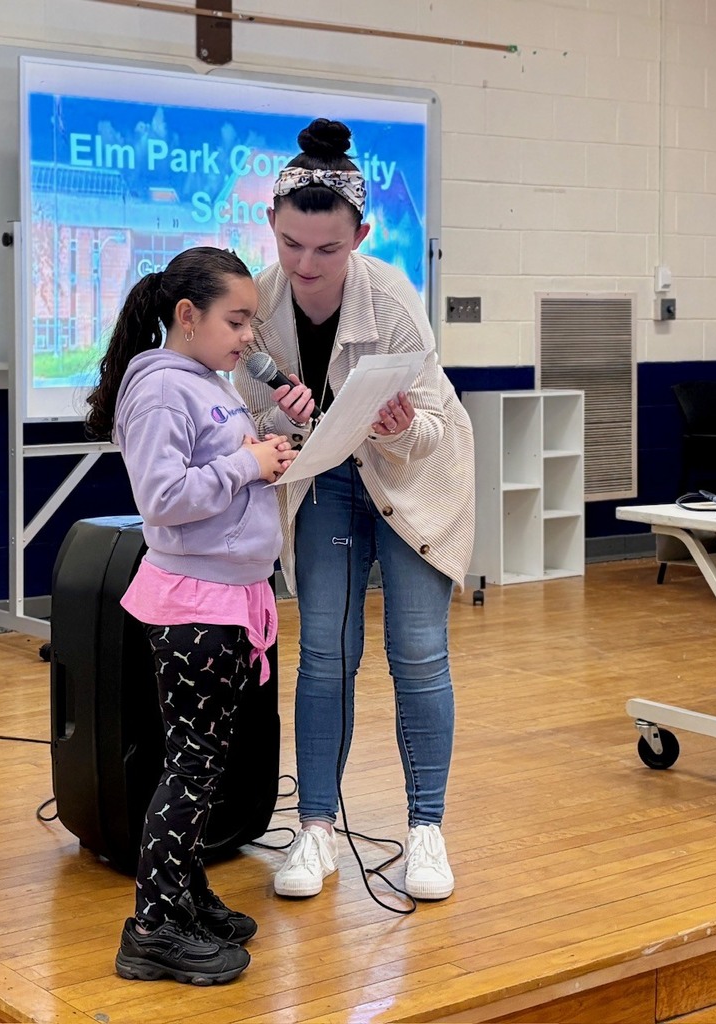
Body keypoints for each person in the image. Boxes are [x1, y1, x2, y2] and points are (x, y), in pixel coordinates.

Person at [233, 118, 476, 902]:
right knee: (327, 655)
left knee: (418, 653)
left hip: (411, 482)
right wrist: (281, 418)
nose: (305, 266)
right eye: (291, 244)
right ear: (271, 224)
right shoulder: (256, 305)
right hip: (327, 478)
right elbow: (253, 420)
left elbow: (437, 425)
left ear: (361, 235)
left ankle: (426, 832)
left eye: (327, 250)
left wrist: (400, 429)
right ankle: (314, 831)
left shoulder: (395, 299)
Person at [85, 246, 297, 985]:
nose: (247, 337)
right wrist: (249, 464)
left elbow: (221, 472)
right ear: (187, 315)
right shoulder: (160, 390)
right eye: (237, 320)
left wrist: (267, 449)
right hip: (195, 604)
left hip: (228, 598)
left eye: (252, 322)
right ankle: (152, 926)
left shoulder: (206, 383)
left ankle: (183, 891)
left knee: (206, 764)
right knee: (193, 761)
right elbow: (164, 500)